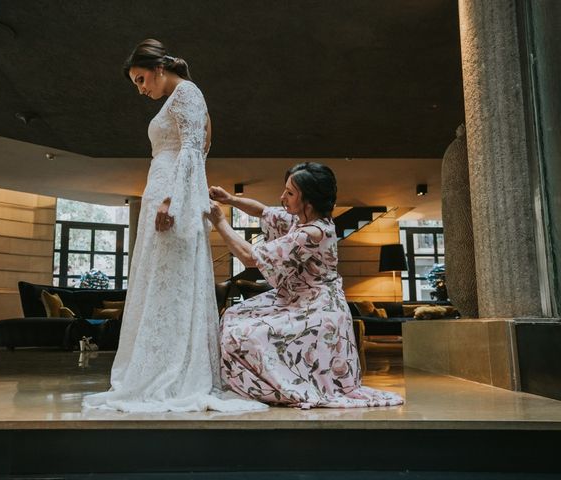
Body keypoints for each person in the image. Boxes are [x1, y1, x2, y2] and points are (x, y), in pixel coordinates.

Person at [83, 39, 266, 413]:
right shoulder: (180, 97)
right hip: (164, 191)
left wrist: (173, 200)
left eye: (141, 79)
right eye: (136, 83)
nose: (141, 88)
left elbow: (190, 149)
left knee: (171, 281)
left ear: (159, 68)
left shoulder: (187, 92)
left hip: (171, 197)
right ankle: (157, 364)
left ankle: (174, 371)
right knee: (160, 281)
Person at [207, 162, 404, 408]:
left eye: (290, 193)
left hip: (317, 308)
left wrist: (220, 222)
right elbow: (263, 211)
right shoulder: (298, 219)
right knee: (234, 314)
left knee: (245, 335)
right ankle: (246, 382)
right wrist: (229, 199)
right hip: (292, 298)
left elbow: (250, 258)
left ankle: (274, 386)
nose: (282, 198)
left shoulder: (314, 232)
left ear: (308, 200)